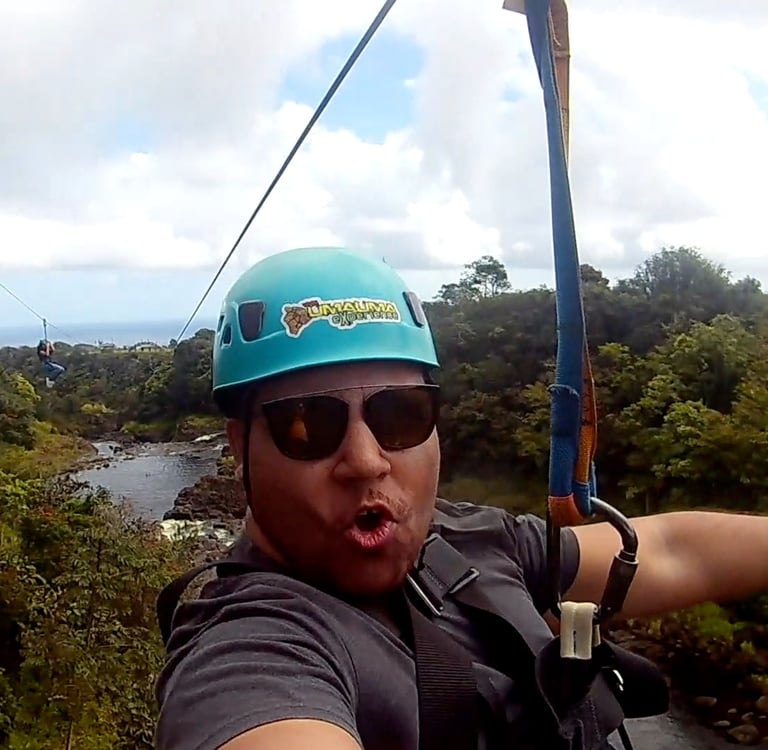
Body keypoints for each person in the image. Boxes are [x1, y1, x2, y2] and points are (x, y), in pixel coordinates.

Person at [155, 247, 768, 750]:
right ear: (240, 446)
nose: (366, 460)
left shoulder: (473, 540)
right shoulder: (251, 652)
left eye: (400, 415)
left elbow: (673, 550)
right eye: (307, 426)